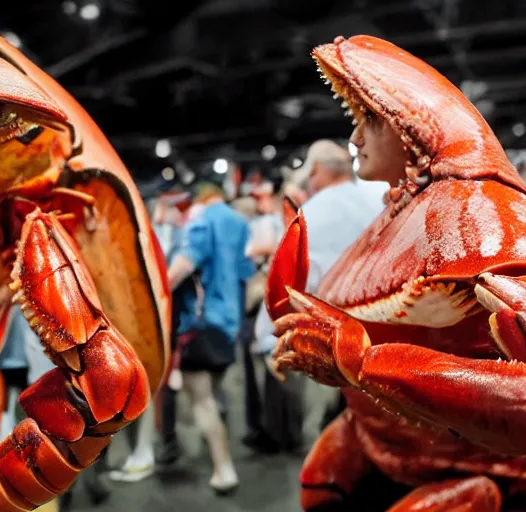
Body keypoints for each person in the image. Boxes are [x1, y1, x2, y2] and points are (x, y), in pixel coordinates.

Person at [251, 139, 388, 452]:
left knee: (336, 438)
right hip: (388, 339)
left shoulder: (310, 214)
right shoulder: (380, 201)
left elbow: (292, 285)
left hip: (335, 342)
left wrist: (268, 337)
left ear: (315, 172)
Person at [166, 182, 254, 493]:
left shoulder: (201, 221)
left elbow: (183, 265)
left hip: (199, 325)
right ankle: (222, 455)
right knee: (214, 396)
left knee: (202, 401)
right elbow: (247, 272)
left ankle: (223, 468)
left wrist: (158, 291)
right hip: (229, 322)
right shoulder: (239, 223)